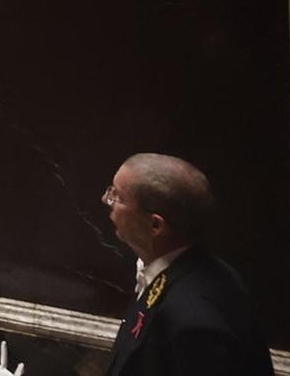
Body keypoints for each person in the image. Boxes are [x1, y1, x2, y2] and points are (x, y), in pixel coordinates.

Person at [99, 153, 269, 376]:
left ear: (155, 225)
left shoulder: (195, 323)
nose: (106, 200)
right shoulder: (189, 269)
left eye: (118, 196)